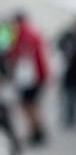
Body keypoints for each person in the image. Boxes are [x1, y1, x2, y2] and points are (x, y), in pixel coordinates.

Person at [7, 13, 48, 145]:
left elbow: (16, 51)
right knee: (29, 104)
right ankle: (36, 131)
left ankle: (37, 132)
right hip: (36, 75)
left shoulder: (24, 33)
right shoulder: (30, 31)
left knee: (29, 104)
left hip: (32, 77)